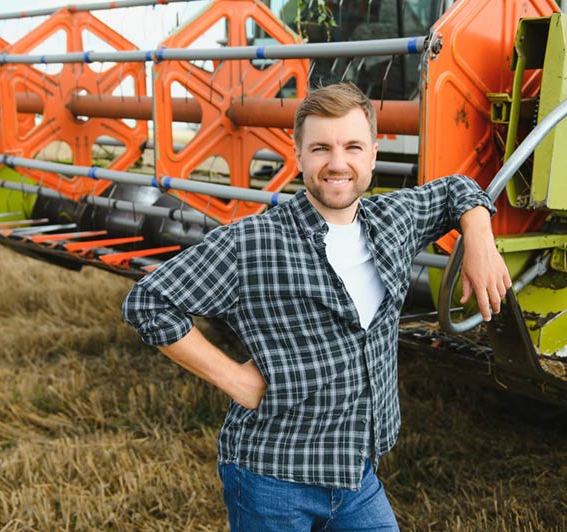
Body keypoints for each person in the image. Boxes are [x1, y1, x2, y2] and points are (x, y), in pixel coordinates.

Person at [122, 82, 511, 531]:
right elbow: (149, 302)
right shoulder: (253, 242)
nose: (338, 163)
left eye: (352, 147)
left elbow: (456, 190)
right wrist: (234, 379)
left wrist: (479, 238)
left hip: (356, 474)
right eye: (321, 148)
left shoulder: (394, 220)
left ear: (372, 152)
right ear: (299, 154)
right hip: (273, 476)